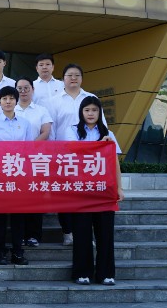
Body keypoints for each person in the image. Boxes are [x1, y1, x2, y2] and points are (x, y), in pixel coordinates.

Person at [65, 96, 124, 286]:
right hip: (80, 190)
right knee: (81, 233)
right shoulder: (72, 131)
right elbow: (73, 152)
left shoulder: (109, 134)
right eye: (87, 110)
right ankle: (82, 272)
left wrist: (119, 187)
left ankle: (106, 273)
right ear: (81, 112)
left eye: (94, 110)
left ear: (100, 113)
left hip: (103, 190)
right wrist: (100, 145)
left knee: (105, 233)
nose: (90, 114)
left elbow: (114, 163)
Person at [44, 63, 101, 246]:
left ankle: (85, 234)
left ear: (82, 78)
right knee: (65, 195)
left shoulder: (91, 98)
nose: (73, 78)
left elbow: (101, 126)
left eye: (77, 75)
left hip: (88, 158)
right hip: (63, 156)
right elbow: (51, 129)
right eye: (69, 75)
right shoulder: (54, 101)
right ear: (63, 79)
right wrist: (53, 154)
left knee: (86, 196)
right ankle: (68, 232)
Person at [0, 86, 37, 266]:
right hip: (0, 174)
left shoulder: (25, 123)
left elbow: (29, 149)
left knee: (18, 216)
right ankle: (0, 251)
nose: (8, 101)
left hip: (19, 174)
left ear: (16, 101)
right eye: (4, 99)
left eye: (11, 98)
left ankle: (18, 251)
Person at [14, 76, 53, 247]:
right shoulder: (10, 108)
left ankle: (34, 235)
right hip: (15, 160)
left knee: (35, 196)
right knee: (18, 198)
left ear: (33, 89)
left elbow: (46, 131)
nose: (23, 91)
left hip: (36, 159)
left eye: (26, 88)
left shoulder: (41, 110)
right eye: (19, 88)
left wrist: (29, 147)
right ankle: (20, 235)